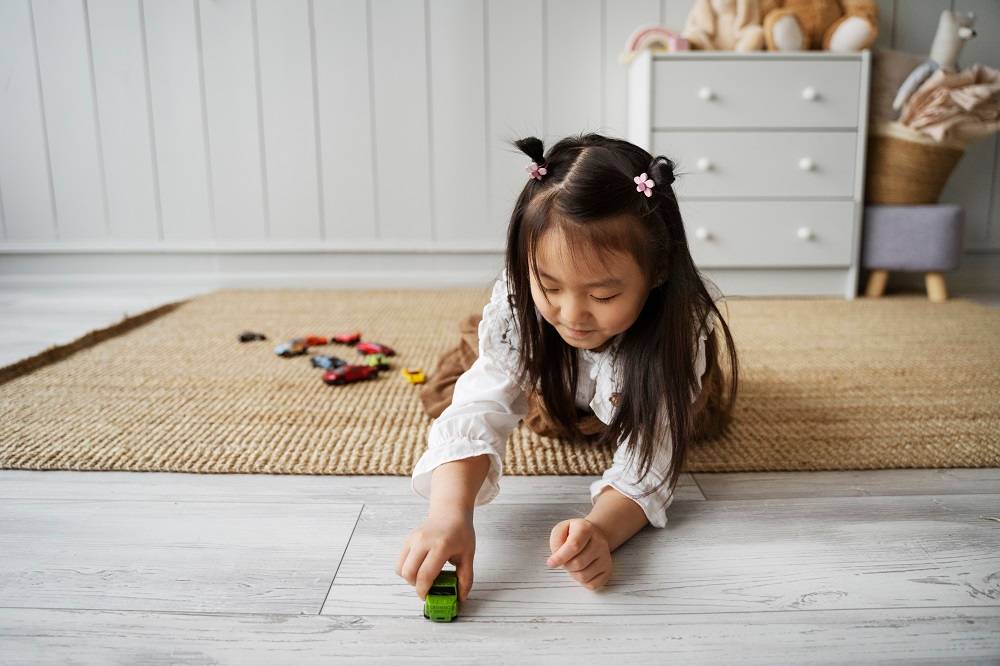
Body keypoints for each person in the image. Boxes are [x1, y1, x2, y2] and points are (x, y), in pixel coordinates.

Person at [395, 132, 739, 603]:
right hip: (546, 357)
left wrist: (601, 529)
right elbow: (479, 408)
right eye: (550, 285)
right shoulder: (525, 312)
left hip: (648, 360)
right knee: (464, 378)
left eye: (602, 295)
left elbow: (650, 463)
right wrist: (447, 515)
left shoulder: (676, 338)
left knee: (699, 418)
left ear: (657, 273)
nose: (573, 314)